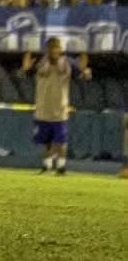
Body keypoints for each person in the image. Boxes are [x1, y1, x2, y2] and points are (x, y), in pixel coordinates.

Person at [21, 39, 90, 174]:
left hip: (60, 110)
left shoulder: (68, 63)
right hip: (43, 110)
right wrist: (25, 64)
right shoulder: (40, 63)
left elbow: (83, 70)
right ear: (47, 49)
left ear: (60, 49)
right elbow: (25, 71)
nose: (54, 50)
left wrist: (85, 67)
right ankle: (46, 166)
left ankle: (61, 167)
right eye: (51, 47)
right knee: (46, 142)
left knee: (60, 141)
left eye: (56, 47)